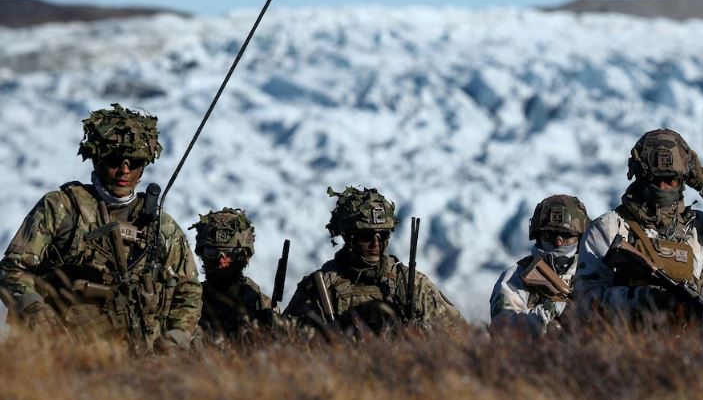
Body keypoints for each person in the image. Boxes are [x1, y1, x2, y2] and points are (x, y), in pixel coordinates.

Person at [0, 103, 201, 353]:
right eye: (115, 160)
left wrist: (175, 338)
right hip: (59, 353)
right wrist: (35, 310)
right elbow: (13, 269)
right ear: (97, 158)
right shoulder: (63, 208)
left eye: (135, 162)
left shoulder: (162, 226)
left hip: (142, 359)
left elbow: (189, 291)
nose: (124, 170)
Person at [574, 128, 703, 325]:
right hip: (628, 342)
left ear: (684, 180)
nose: (664, 187)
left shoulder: (697, 228)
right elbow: (585, 300)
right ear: (640, 177)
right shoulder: (609, 227)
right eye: (656, 180)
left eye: (671, 180)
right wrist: (643, 298)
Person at [284, 186, 464, 334]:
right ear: (349, 237)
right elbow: (287, 342)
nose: (376, 243)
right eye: (366, 236)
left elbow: (459, 334)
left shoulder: (410, 283)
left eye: (383, 235)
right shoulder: (321, 287)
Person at [490, 195, 589, 337]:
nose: (560, 243)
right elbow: (502, 333)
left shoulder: (592, 271)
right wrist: (552, 310)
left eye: (568, 236)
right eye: (550, 236)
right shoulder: (515, 277)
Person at [190, 208, 276, 344]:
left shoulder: (260, 304)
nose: (221, 261)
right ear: (202, 254)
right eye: (212, 252)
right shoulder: (187, 303)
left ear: (245, 256)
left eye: (230, 252)